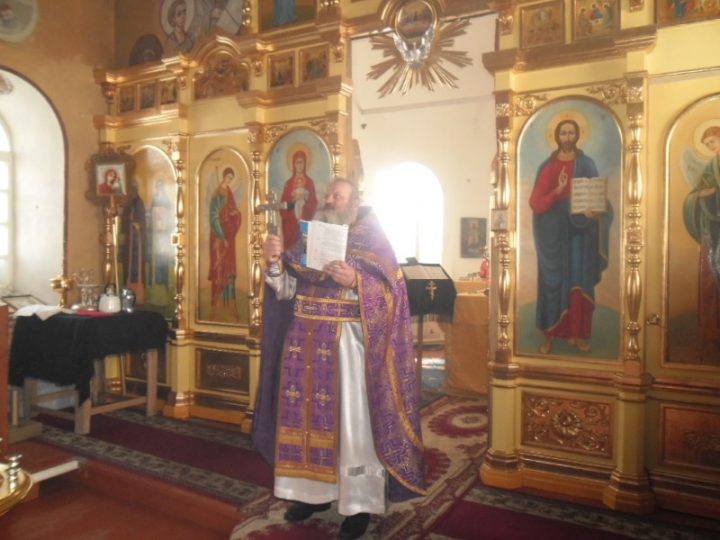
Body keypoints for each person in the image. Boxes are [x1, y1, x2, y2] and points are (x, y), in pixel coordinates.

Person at [253, 178, 426, 540]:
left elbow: (392, 295)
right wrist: (275, 264)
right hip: (303, 346)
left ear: (354, 202)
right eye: (328, 194)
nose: (330, 200)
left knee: (352, 426)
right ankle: (311, 495)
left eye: (338, 195)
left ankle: (359, 505)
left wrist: (357, 281)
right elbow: (285, 291)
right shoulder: (309, 239)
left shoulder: (373, 239)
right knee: (304, 424)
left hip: (349, 348)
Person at [529, 118, 613, 354]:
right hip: (553, 232)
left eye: (571, 133)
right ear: (557, 136)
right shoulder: (548, 166)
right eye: (563, 133)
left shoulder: (587, 164)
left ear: (577, 136)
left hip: (580, 229)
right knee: (553, 283)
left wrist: (595, 211)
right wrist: (557, 190)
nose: (567, 137)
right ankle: (550, 335)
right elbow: (536, 203)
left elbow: (598, 197)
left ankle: (577, 334)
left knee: (578, 280)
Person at [683, 125, 720, 353]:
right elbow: (694, 196)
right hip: (713, 230)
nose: (710, 147)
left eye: (713, 142)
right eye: (707, 145)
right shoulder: (710, 167)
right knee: (711, 278)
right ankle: (712, 331)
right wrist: (700, 195)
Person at [208, 167, 241, 307]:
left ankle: (229, 301)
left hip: (229, 235)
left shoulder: (229, 192)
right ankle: (217, 301)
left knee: (229, 266)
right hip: (218, 236)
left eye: (231, 179)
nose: (229, 180)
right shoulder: (216, 195)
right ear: (224, 177)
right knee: (219, 267)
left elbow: (233, 210)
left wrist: (235, 214)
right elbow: (213, 217)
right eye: (228, 177)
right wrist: (222, 235)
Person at [279, 149, 318, 250]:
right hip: (290, 225)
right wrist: (294, 201)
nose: (300, 165)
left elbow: (314, 204)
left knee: (304, 252)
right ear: (293, 164)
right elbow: (283, 206)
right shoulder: (288, 184)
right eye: (297, 162)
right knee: (290, 253)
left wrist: (305, 207)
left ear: (305, 164)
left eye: (302, 162)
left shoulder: (309, 182)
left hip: (304, 222)